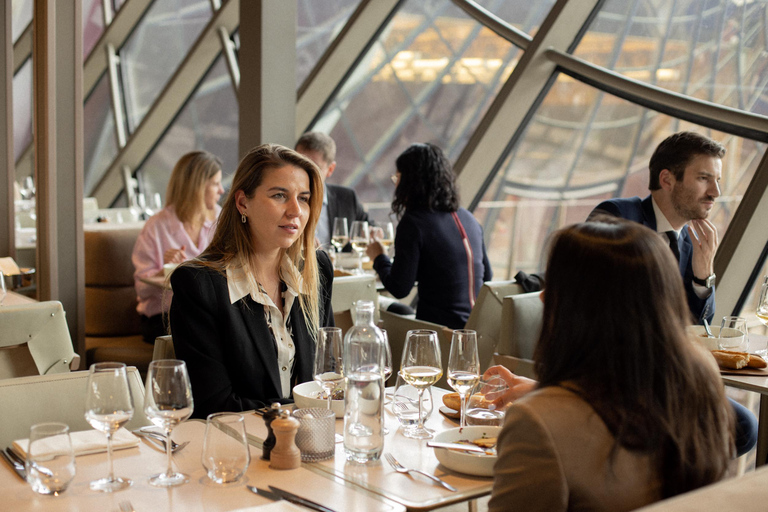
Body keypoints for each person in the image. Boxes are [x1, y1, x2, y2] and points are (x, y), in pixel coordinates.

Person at [486, 217, 733, 512]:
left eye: (556, 285)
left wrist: (546, 404)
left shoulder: (536, 424)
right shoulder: (700, 374)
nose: (541, 295)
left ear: (582, 308)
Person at [169, 144, 334, 419]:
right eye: (280, 195)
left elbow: (329, 375)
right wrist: (295, 413)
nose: (295, 211)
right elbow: (215, 404)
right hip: (238, 449)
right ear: (243, 202)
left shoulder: (316, 269)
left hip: (311, 439)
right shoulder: (199, 285)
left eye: (303, 198)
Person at [589, 131, 722, 325]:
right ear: (667, 180)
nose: (715, 192)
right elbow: (589, 301)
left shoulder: (691, 242)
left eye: (717, 181)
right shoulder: (618, 217)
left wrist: (704, 277)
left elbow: (699, 328)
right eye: (703, 178)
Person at [366, 143, 492, 329]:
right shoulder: (468, 218)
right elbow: (487, 276)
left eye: (398, 177)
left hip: (437, 335)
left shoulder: (414, 223)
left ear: (410, 181)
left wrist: (379, 257)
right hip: (475, 332)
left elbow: (399, 288)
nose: (396, 184)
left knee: (373, 314)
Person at [132, 150, 224, 344]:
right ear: (197, 186)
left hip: (209, 313)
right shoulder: (156, 226)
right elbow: (142, 290)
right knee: (207, 331)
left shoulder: (220, 219)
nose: (221, 191)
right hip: (162, 317)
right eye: (215, 184)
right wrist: (164, 270)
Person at [294, 132, 371, 246]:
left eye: (314, 167)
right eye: (300, 165)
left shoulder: (347, 198)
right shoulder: (282, 200)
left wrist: (374, 232)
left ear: (330, 169)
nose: (305, 172)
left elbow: (370, 228)